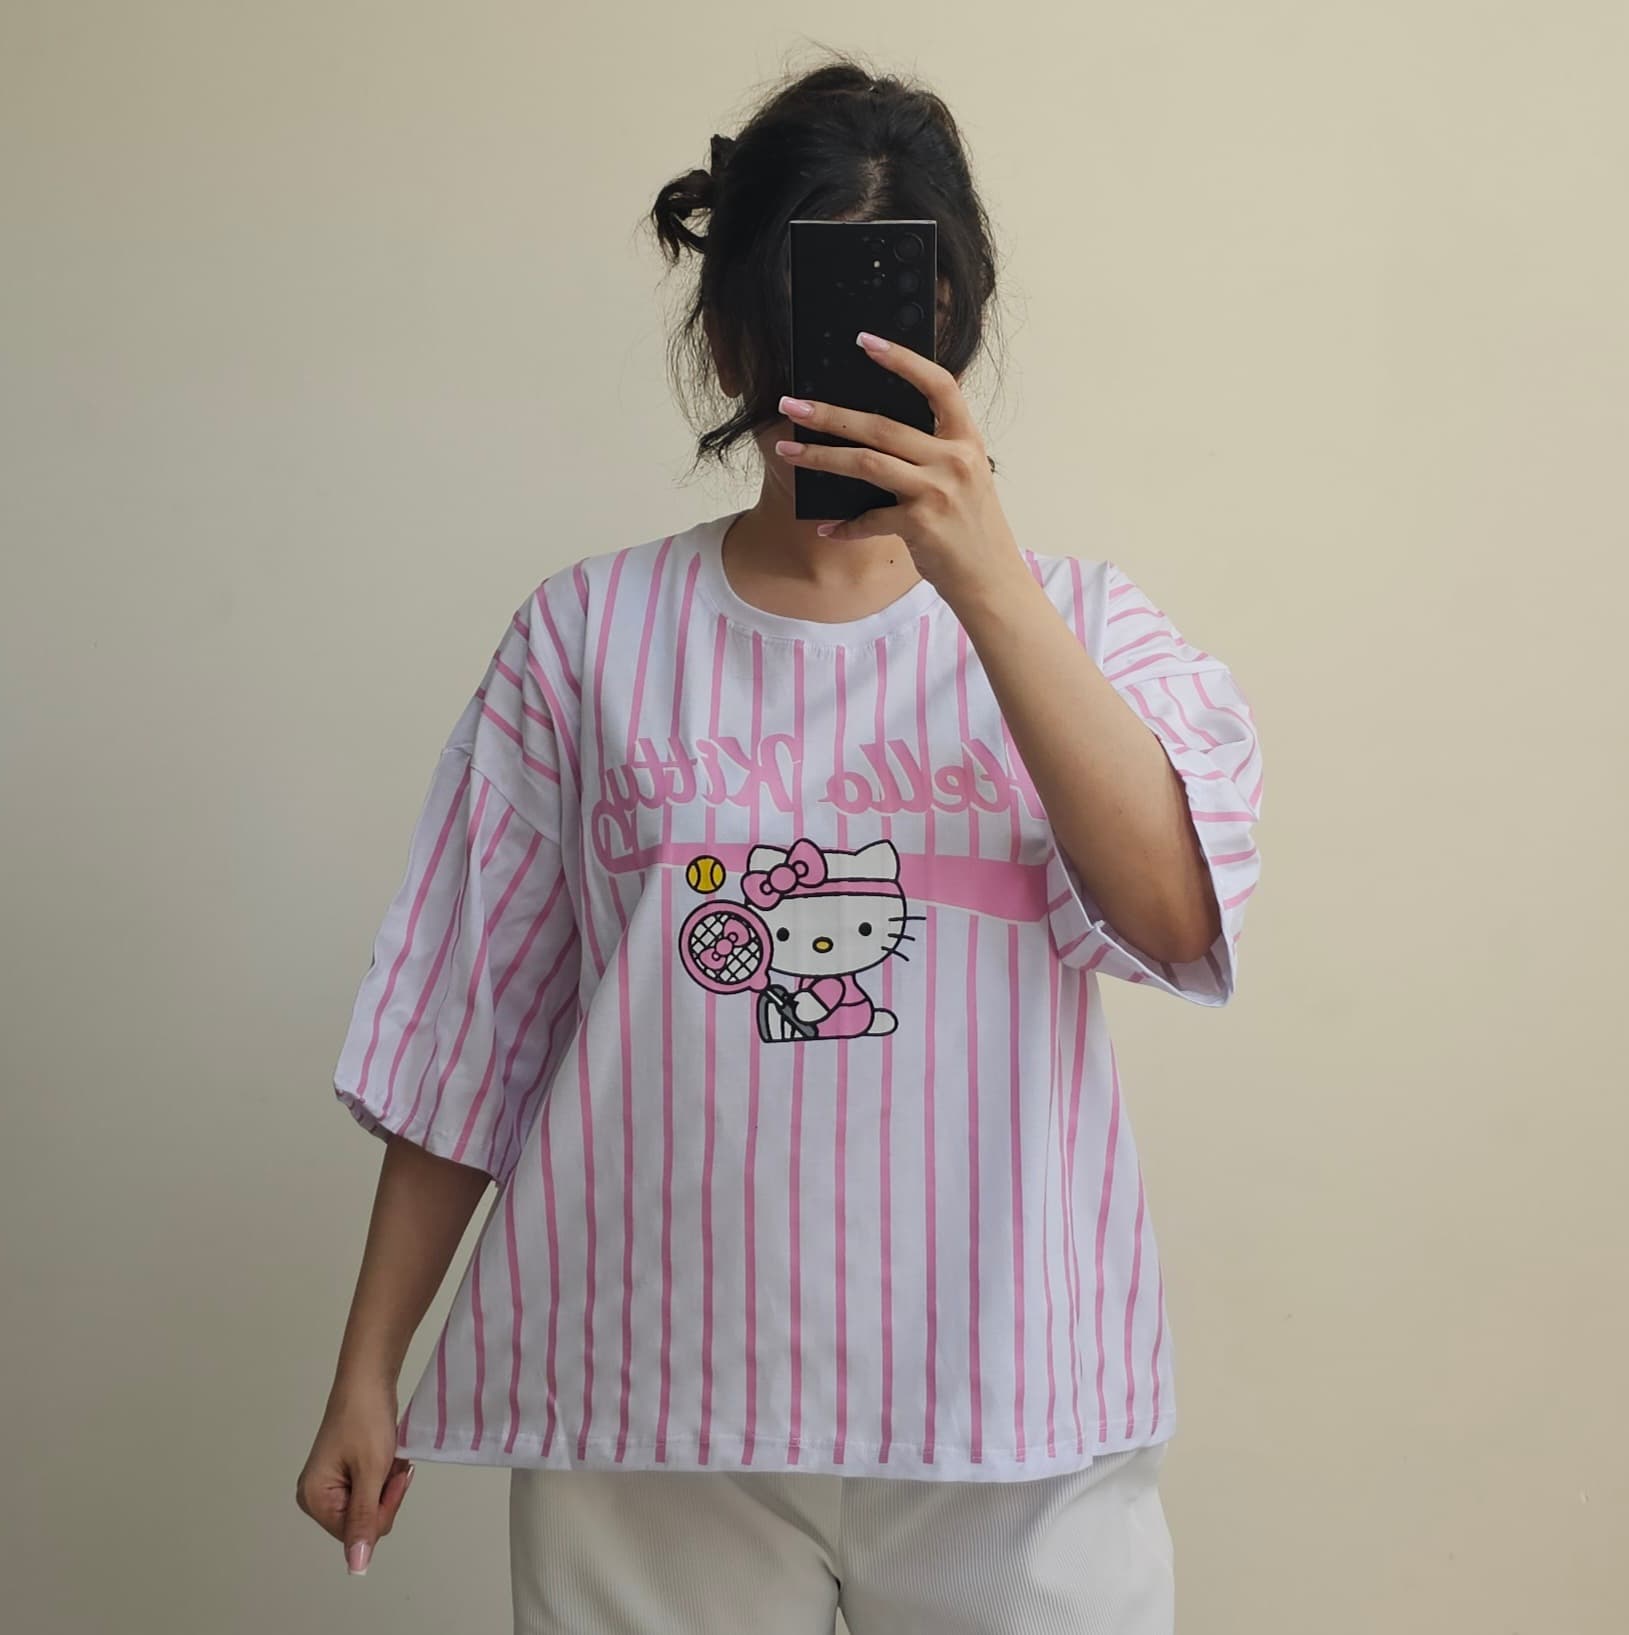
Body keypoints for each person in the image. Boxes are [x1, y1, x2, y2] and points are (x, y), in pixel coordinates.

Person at [296, 54, 1264, 1635]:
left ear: (953, 336)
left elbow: (1168, 916)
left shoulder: (1086, 629)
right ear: (731, 337)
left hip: (1011, 1406)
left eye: (900, 329)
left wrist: (986, 584)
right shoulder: (583, 640)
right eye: (809, 326)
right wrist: (364, 1368)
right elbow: (471, 1031)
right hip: (647, 1413)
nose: (847, 375)